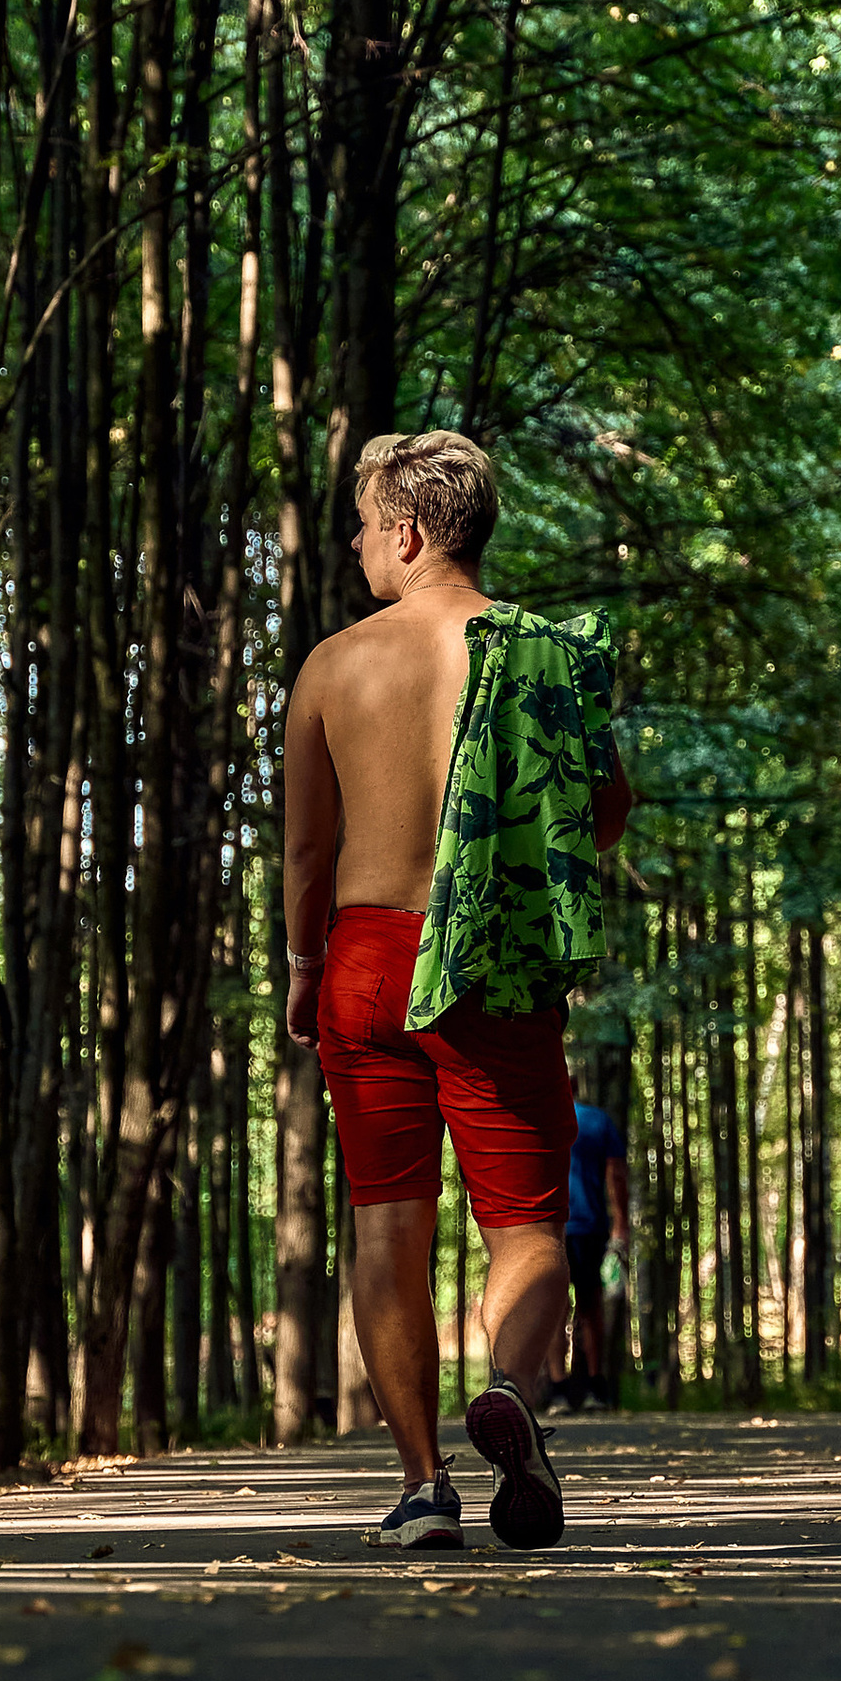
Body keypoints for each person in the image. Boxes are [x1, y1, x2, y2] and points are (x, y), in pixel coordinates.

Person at [283, 429, 631, 1550]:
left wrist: (301, 966)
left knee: (388, 1229)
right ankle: (516, 1392)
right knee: (525, 1227)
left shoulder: (335, 665)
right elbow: (605, 804)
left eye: (363, 521)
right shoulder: (541, 654)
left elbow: (304, 853)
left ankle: (423, 1484)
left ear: (409, 530)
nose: (353, 542)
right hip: (493, 961)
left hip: (366, 962)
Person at [562, 1068, 630, 1411]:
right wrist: (621, 1224)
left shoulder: (541, 1117)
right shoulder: (598, 1120)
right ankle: (594, 1386)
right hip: (590, 1225)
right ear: (576, 1084)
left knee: (555, 1307)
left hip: (552, 1225)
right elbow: (616, 1174)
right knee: (590, 1305)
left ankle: (558, 1388)